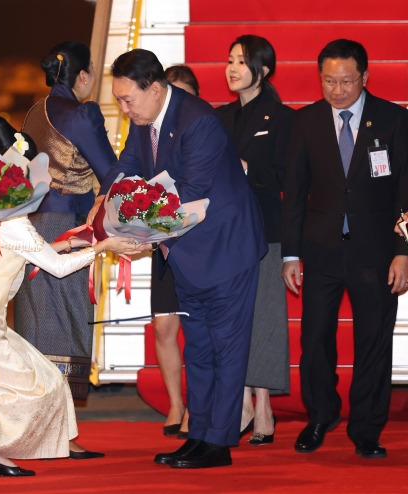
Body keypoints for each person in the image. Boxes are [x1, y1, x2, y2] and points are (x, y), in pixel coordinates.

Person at [89, 48, 267, 469]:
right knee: (199, 350)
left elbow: (190, 193)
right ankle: (199, 434)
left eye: (128, 99)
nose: (124, 107)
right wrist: (106, 202)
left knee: (226, 349)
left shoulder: (198, 121)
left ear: (154, 89)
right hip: (186, 251)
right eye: (118, 100)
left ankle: (219, 443)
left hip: (225, 249)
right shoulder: (146, 118)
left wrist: (138, 234)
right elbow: (129, 167)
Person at [0, 128, 141, 476]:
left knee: (43, 383)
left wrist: (72, 244)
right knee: (36, 396)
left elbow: (27, 255)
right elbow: (57, 268)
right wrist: (101, 249)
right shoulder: (14, 223)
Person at [281, 38, 408, 459]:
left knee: (375, 340)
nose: (337, 90)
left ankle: (367, 427)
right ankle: (320, 416)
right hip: (320, 250)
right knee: (316, 338)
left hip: (376, 252)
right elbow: (295, 194)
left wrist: (403, 251)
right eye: (329, 81)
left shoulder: (394, 120)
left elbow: (406, 192)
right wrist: (290, 254)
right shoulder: (306, 122)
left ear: (365, 78)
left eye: (347, 81)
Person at [13, 41, 117, 403]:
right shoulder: (81, 112)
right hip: (67, 226)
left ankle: (42, 420)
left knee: (36, 322)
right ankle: (60, 425)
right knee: (67, 321)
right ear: (83, 75)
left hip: (31, 224)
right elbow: (110, 170)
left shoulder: (34, 111)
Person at [216, 35, 293, 446]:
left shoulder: (281, 118)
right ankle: (244, 400)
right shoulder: (219, 117)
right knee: (232, 318)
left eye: (241, 62)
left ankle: (263, 406)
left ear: (262, 69)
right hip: (226, 232)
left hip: (265, 228)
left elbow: (287, 178)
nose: (231, 68)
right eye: (229, 61)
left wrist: (247, 170)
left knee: (263, 317)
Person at [151, 64, 199, 439]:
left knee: (200, 328)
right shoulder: (149, 134)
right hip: (164, 241)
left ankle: (196, 409)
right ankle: (175, 403)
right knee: (164, 325)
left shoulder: (204, 130)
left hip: (199, 242)